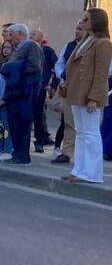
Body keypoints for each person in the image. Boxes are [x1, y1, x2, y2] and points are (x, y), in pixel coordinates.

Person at [62, 8, 111, 184]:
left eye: (86, 19)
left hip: (89, 93)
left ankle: (92, 173)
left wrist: (94, 98)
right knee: (81, 132)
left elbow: (101, 73)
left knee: (91, 133)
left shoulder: (103, 43)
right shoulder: (86, 39)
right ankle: (79, 170)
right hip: (77, 90)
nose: (83, 21)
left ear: (96, 21)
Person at [0, 24, 43, 165]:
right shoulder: (17, 50)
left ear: (20, 33)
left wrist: (14, 69)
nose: (8, 36)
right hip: (15, 92)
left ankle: (23, 156)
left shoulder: (31, 46)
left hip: (25, 91)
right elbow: (4, 68)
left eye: (11, 33)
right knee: (14, 123)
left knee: (23, 122)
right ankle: (17, 154)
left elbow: (35, 66)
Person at [52, 21, 83, 164]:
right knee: (68, 121)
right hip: (69, 87)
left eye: (80, 29)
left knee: (84, 124)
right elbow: (59, 64)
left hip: (85, 88)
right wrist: (63, 76)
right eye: (76, 28)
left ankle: (82, 154)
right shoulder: (69, 46)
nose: (77, 31)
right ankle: (67, 152)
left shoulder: (95, 45)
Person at [31, 29, 57, 153]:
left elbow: (57, 67)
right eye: (30, 34)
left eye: (33, 34)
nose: (30, 36)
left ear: (41, 37)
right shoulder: (27, 49)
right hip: (28, 87)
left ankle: (40, 140)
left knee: (38, 116)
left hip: (40, 87)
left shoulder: (47, 51)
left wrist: (53, 85)